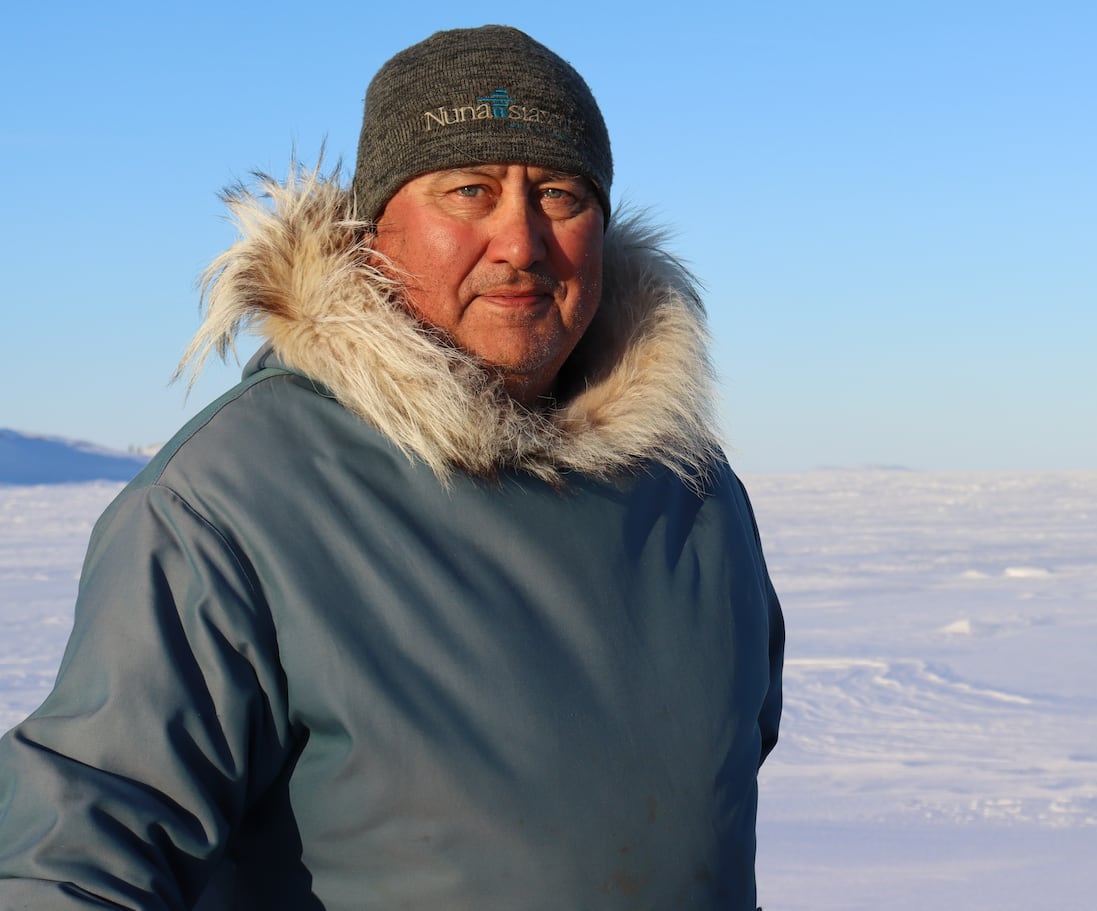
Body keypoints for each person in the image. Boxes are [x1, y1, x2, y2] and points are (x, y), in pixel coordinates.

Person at [0, 25, 784, 911]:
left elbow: (715, 773)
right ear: (377, 232)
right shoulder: (235, 501)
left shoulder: (690, 492)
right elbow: (82, 844)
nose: (521, 243)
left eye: (559, 194)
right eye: (470, 191)